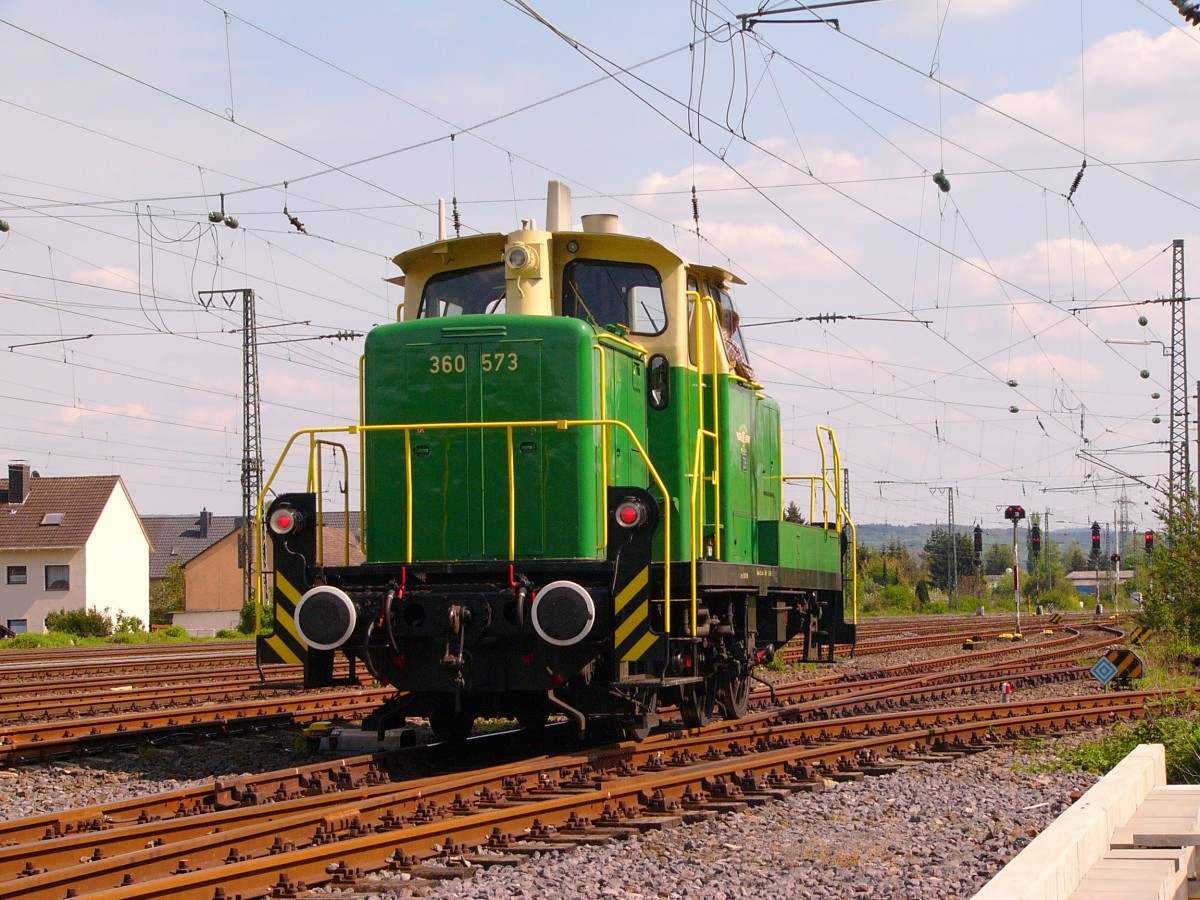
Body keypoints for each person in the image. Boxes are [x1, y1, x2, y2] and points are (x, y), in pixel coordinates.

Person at [720, 307, 757, 382]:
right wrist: (754, 375)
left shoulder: (701, 337)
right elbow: (748, 375)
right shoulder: (730, 344)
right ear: (734, 330)